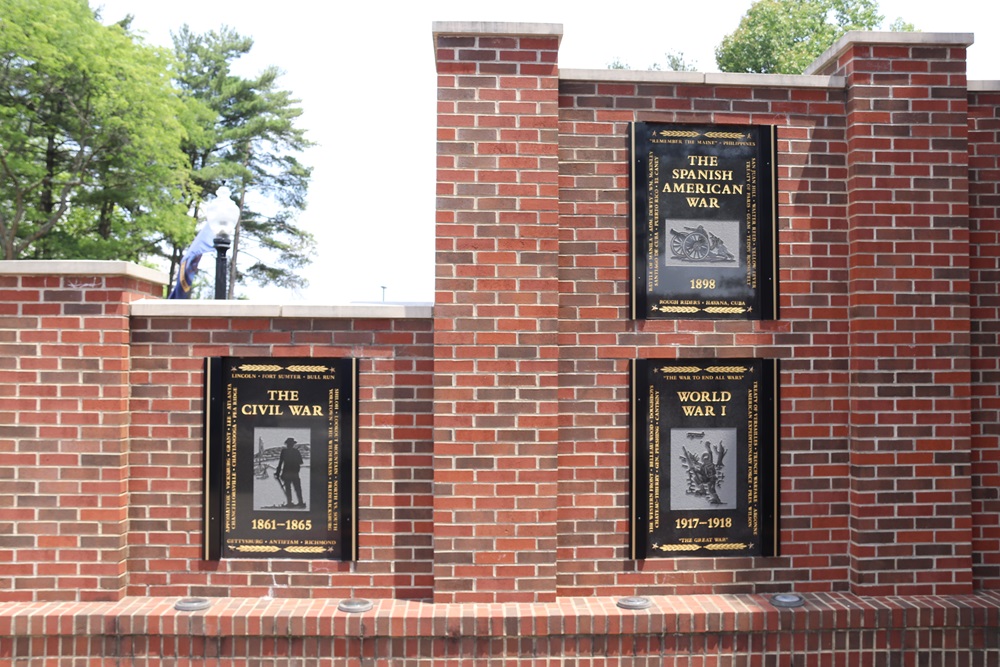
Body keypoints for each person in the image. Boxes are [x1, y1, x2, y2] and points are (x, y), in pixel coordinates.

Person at [274, 437, 305, 508]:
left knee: (289, 488)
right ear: (293, 444)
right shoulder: (296, 452)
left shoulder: (284, 451)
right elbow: (300, 462)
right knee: (297, 488)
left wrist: (278, 473)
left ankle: (290, 503)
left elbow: (280, 463)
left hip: (287, 473)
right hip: (294, 473)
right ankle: (300, 502)